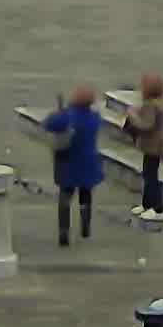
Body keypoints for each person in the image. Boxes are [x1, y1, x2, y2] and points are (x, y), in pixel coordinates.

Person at [42, 85, 106, 247]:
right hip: (88, 162)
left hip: (68, 162)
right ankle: (85, 226)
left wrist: (57, 113)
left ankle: (63, 231)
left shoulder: (66, 116)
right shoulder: (94, 117)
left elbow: (48, 124)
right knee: (86, 195)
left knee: (65, 196)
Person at [126, 73, 163, 228]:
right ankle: (147, 205)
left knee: (151, 177)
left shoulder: (151, 106)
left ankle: (158, 208)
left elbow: (146, 125)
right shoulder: (156, 104)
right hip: (152, 146)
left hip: (153, 146)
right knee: (148, 174)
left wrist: (133, 116)